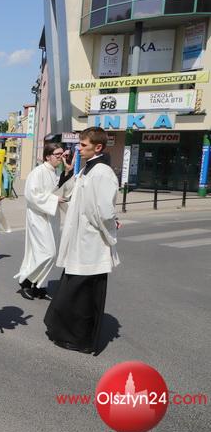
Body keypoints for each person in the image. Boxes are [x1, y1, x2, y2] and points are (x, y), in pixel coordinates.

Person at [44, 127, 120, 355]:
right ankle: (67, 333)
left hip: (91, 242)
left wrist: (112, 225)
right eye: (79, 143)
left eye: (84, 145)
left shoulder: (103, 172)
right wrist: (68, 174)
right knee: (74, 290)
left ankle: (80, 339)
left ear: (98, 147)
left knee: (84, 293)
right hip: (81, 239)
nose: (79, 148)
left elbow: (104, 211)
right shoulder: (88, 169)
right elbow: (73, 197)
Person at [13, 143, 68, 300]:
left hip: (51, 216)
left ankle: (40, 286)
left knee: (48, 253)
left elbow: (58, 190)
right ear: (47, 156)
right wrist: (54, 199)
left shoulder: (55, 172)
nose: (60, 157)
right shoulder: (37, 172)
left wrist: (67, 173)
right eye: (57, 155)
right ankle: (26, 281)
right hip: (38, 217)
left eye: (62, 154)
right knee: (47, 253)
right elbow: (31, 195)